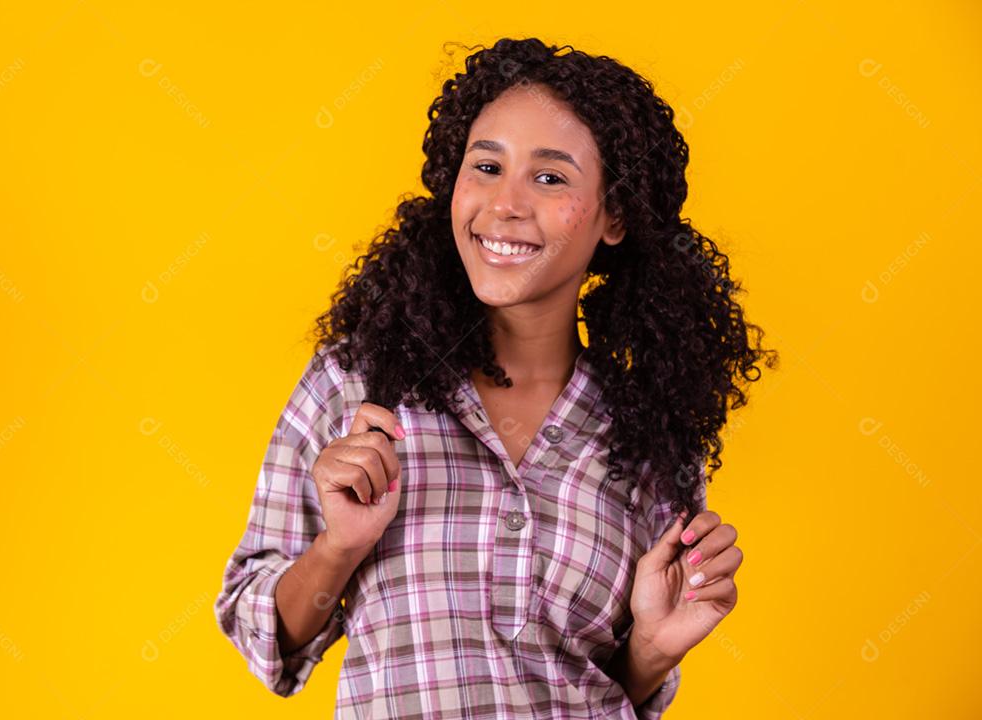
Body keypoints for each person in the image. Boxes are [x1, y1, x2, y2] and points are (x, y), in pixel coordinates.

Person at [214, 36, 778, 719]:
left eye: (550, 178)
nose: (504, 204)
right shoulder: (358, 385)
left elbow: (596, 693)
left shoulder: (649, 437)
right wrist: (340, 546)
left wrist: (653, 650)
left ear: (615, 216)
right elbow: (262, 635)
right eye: (486, 166)